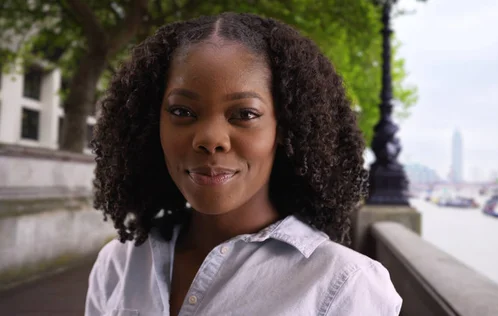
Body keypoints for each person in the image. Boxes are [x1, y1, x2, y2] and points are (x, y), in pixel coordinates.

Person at [86, 12, 402, 316]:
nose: (210, 138)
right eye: (182, 112)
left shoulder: (346, 286)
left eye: (245, 114)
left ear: (286, 128)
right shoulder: (119, 265)